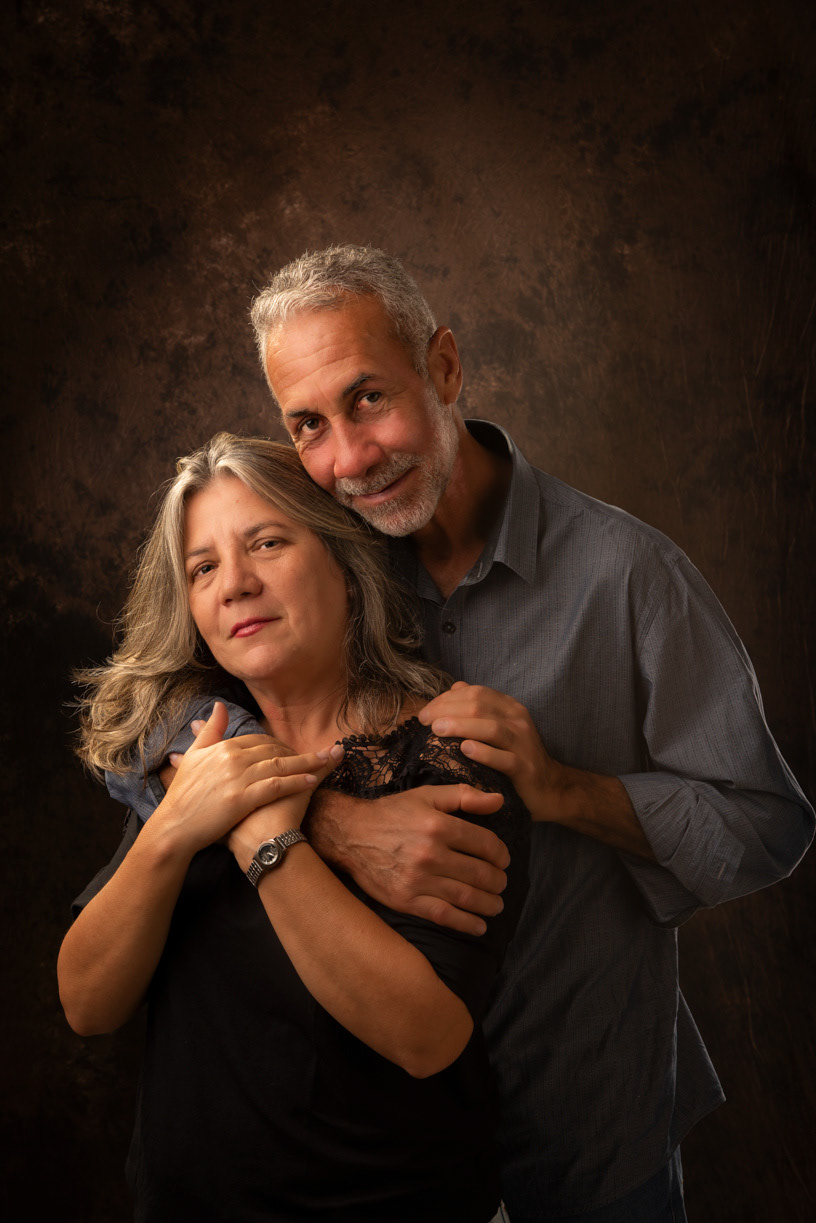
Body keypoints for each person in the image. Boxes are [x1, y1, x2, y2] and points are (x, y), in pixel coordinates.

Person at [114, 246, 813, 1221]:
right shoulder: (319, 555)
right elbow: (152, 716)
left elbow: (767, 823)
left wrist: (564, 787)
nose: (350, 458)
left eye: (369, 399)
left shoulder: (628, 576)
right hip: (379, 1151)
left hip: (580, 1121)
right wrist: (327, 821)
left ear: (443, 367)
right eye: (309, 425)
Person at [57, 433, 530, 1223]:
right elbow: (86, 1004)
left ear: (345, 559)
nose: (234, 584)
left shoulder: (452, 758)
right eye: (202, 567)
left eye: (267, 543)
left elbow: (427, 1037)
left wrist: (263, 835)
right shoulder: (197, 748)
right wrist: (173, 830)